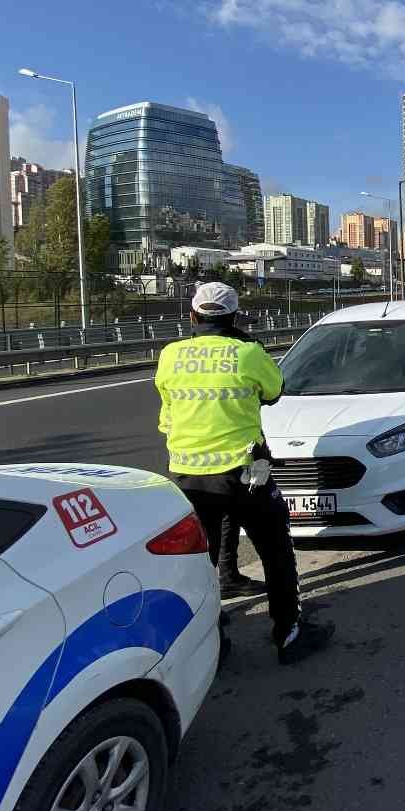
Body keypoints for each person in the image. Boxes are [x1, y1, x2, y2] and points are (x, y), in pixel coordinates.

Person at [155, 282, 334, 665]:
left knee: (198, 563)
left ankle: (212, 641)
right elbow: (274, 391)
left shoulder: (170, 356)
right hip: (244, 471)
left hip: (187, 476)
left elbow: (168, 409)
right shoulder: (247, 353)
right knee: (275, 549)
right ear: (234, 318)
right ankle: (289, 633)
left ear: (192, 317)